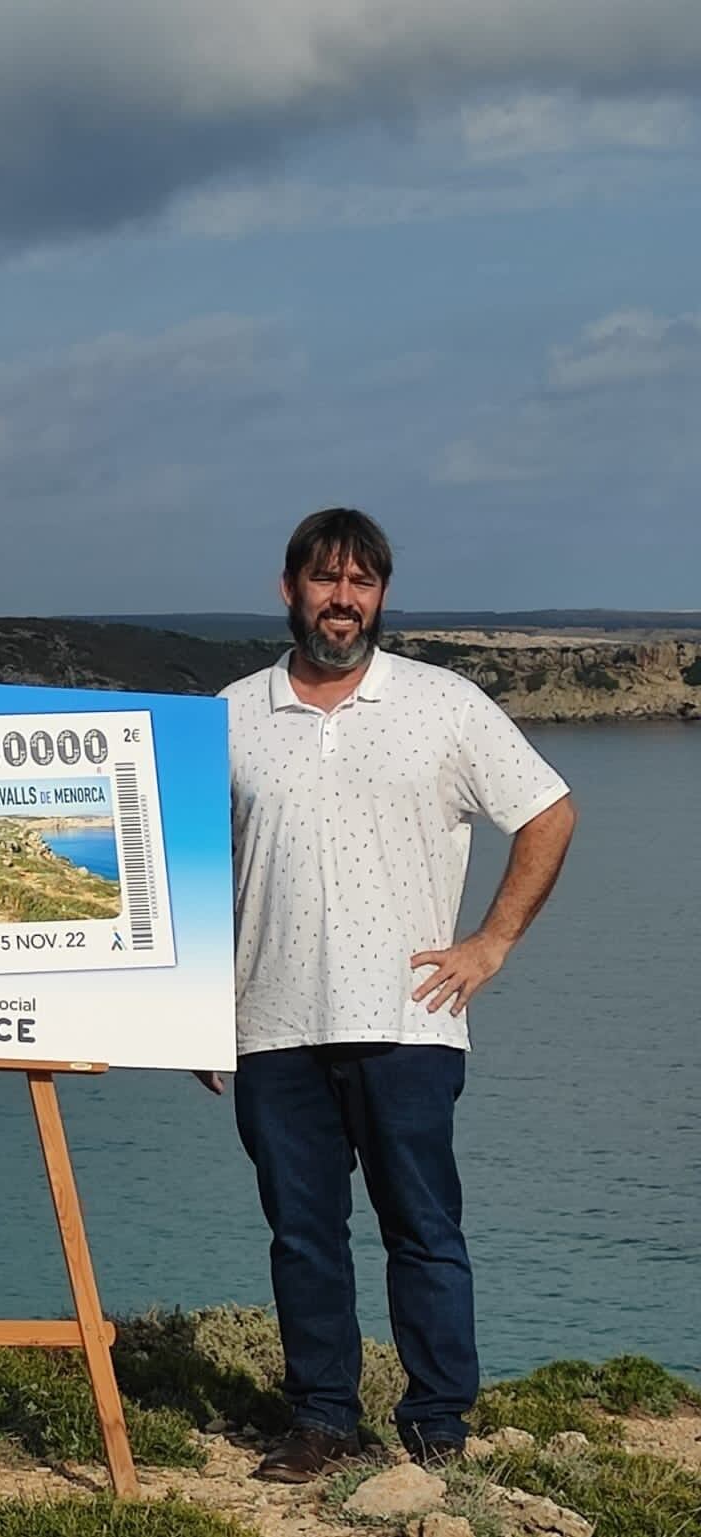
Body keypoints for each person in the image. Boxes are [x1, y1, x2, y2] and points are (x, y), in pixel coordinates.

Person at [206, 507, 577, 1480]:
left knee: (422, 1228)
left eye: (360, 581)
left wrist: (489, 943)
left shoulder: (443, 704)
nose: (341, 599)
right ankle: (322, 1419)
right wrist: (197, 1010)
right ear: (287, 589)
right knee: (301, 1235)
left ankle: (436, 1423)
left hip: (408, 1021)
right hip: (269, 1023)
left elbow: (546, 811)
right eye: (324, 580)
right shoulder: (232, 713)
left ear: (379, 594)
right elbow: (193, 868)